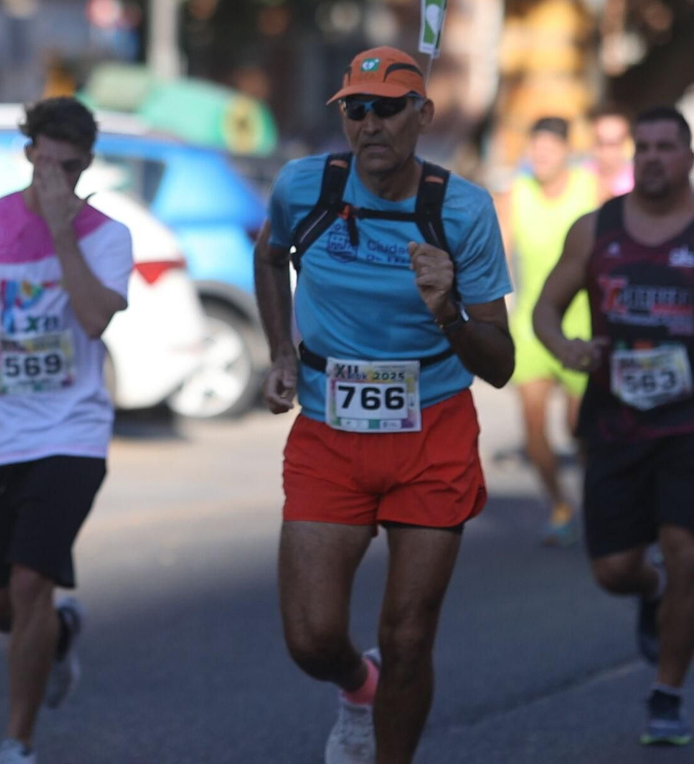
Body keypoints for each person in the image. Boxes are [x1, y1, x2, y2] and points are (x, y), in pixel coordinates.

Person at [253, 48, 514, 764]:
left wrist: (448, 309)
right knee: (311, 638)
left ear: (422, 116)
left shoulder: (461, 210)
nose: (370, 124)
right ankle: (356, 687)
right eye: (355, 109)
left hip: (434, 431)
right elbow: (270, 256)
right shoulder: (304, 187)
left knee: (407, 638)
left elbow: (499, 364)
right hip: (329, 431)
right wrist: (281, 353)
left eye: (388, 109)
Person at [0, 97, 133, 764]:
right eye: (47, 163)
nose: (57, 178)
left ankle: (17, 742)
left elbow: (93, 318)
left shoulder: (106, 235)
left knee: (30, 585)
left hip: (69, 433)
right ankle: (58, 636)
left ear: (87, 165)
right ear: (29, 154)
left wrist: (61, 232)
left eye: (71, 167)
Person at [533, 106, 694, 748]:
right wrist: (567, 348)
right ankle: (650, 590)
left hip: (688, 427)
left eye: (665, 147)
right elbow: (546, 309)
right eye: (643, 148)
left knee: (687, 554)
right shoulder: (596, 230)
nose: (652, 157)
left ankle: (667, 694)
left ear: (687, 158)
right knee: (614, 570)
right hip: (615, 422)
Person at [502, 117, 598, 545]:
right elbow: (495, 255)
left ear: (566, 151)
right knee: (533, 421)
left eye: (549, 149)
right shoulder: (515, 196)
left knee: (580, 428)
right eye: (535, 148)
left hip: (582, 323)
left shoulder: (591, 189)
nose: (541, 156)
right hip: (531, 324)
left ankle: (598, 499)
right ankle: (560, 505)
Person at [593, 108, 635, 200]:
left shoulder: (638, 182)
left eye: (612, 144)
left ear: (627, 144)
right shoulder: (579, 175)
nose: (604, 150)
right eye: (599, 142)